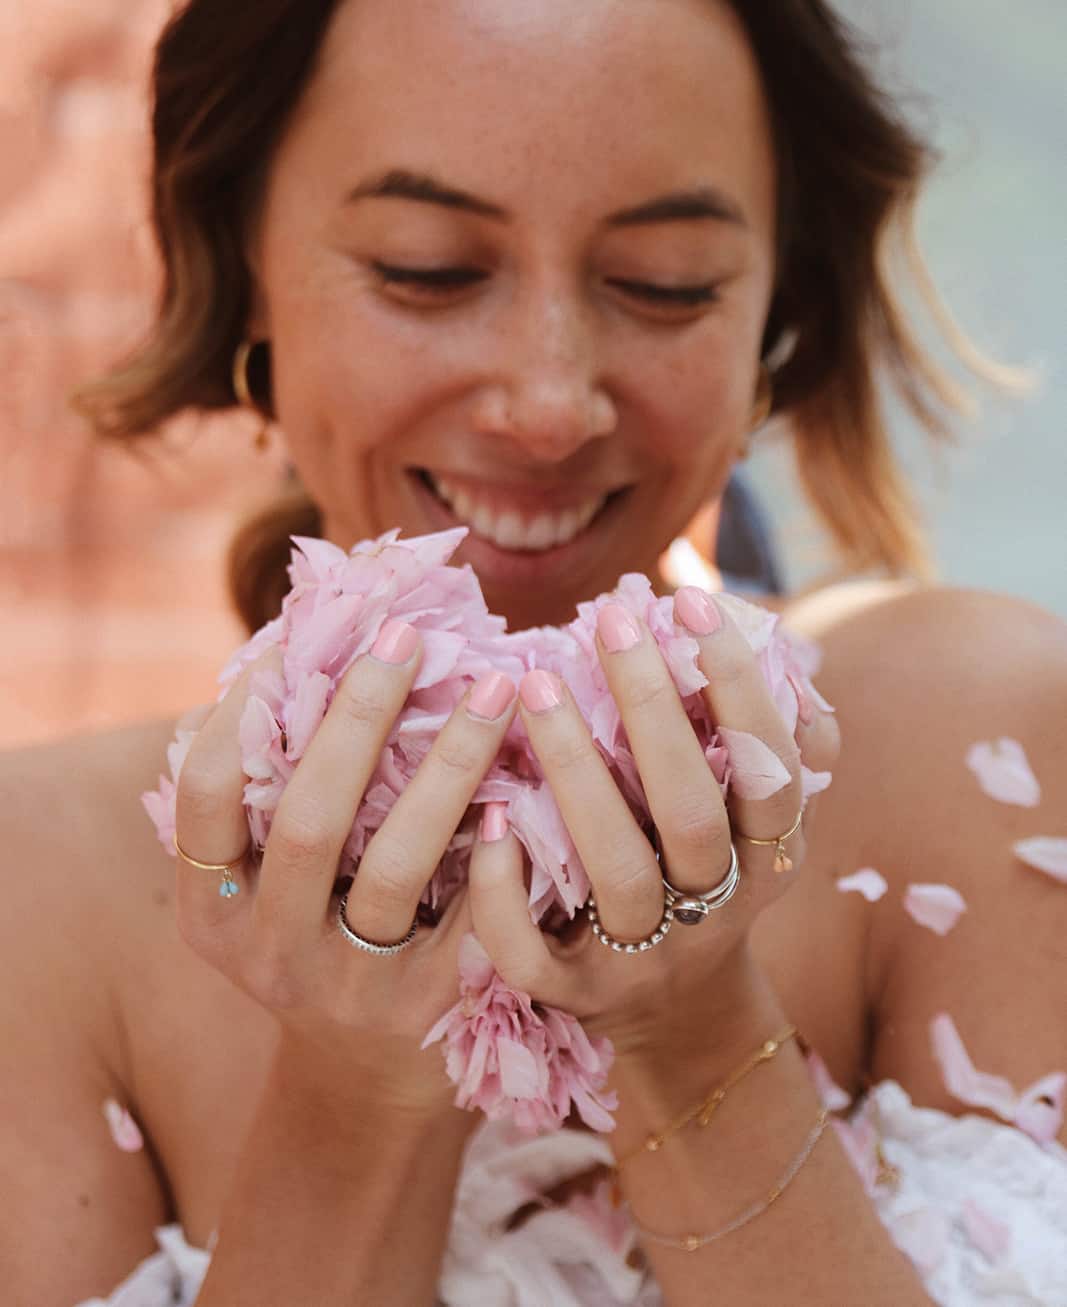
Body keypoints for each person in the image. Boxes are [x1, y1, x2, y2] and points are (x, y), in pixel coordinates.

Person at [3, 1, 1065, 1304]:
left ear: (774, 315)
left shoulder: (983, 738)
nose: (550, 400)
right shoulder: (34, 902)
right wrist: (354, 1082)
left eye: (665, 284)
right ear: (244, 267)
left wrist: (693, 1040)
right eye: (427, 270)